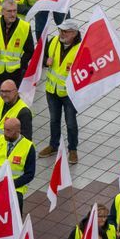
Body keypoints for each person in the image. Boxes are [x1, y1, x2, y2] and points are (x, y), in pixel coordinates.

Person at [0, 0, 33, 132]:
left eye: (15, 11)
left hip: (13, 75)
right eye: (9, 11)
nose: (12, 14)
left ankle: (12, 131)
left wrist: (21, 64)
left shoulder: (24, 27)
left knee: (13, 106)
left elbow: (30, 50)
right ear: (2, 11)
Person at [41, 18, 81, 164]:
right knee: (54, 120)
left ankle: (73, 149)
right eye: (60, 30)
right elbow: (42, 56)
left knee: (70, 123)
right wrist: (46, 60)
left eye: (65, 31)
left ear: (74, 33)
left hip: (69, 94)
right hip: (52, 90)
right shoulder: (53, 41)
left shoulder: (81, 49)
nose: (61, 34)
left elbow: (87, 72)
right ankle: (53, 145)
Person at [0, 116, 35, 204]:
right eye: (5, 129)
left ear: (18, 131)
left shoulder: (28, 147)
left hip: (14, 191)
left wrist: (11, 185)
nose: (5, 133)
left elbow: (30, 174)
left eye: (9, 130)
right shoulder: (0, 140)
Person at [0, 78, 32, 151]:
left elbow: (26, 139)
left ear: (16, 92)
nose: (4, 94)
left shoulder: (23, 112)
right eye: (2, 91)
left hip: (8, 153)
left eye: (7, 92)